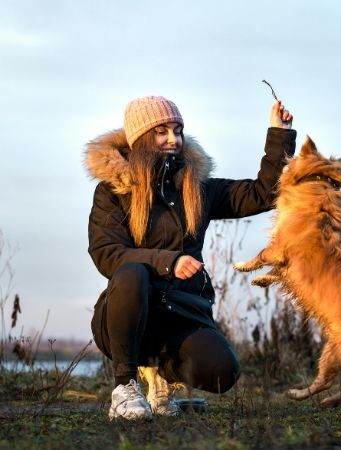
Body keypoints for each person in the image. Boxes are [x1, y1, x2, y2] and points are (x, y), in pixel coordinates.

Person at [85, 95, 295, 420]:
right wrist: (168, 263)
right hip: (126, 314)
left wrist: (279, 134)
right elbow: (106, 253)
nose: (173, 139)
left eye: (178, 130)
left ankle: (160, 382)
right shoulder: (113, 191)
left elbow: (263, 194)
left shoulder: (197, 189)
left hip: (181, 312)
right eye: (162, 131)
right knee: (131, 272)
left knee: (222, 372)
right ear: (139, 138)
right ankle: (125, 387)